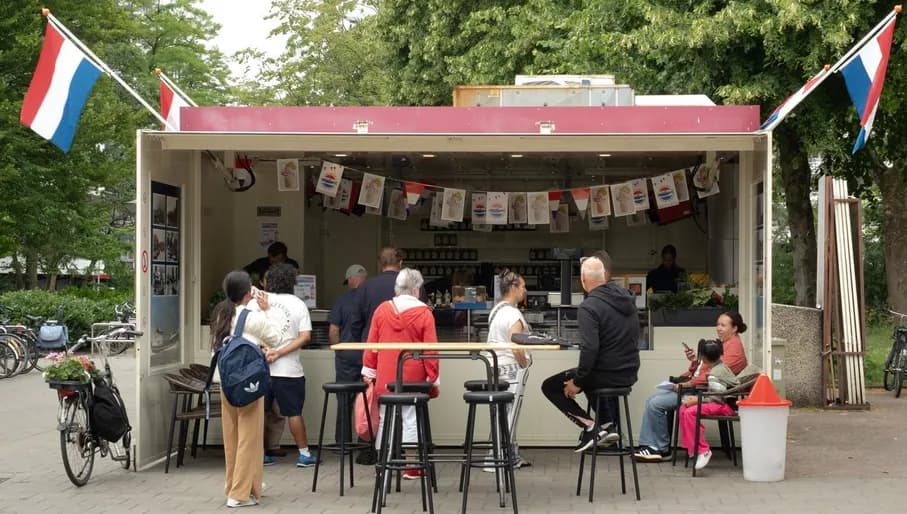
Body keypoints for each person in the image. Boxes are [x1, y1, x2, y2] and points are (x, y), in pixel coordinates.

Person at [541, 252, 641, 453]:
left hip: (606, 374)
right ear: (605, 277)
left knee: (551, 386)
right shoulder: (627, 301)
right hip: (628, 372)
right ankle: (606, 426)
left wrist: (577, 383)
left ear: (583, 281)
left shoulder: (589, 306)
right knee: (586, 373)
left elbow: (590, 349)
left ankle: (591, 427)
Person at [634, 311, 749, 462]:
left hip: (703, 393)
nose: (718, 328)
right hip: (697, 388)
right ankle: (652, 446)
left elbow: (713, 375)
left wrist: (686, 383)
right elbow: (706, 369)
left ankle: (660, 449)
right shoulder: (724, 344)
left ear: (734, 328)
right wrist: (695, 361)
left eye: (723, 325)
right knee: (652, 400)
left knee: (655, 403)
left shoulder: (733, 350)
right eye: (717, 324)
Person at [210, 271, 280, 508]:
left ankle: (237, 484)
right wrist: (267, 309)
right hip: (248, 382)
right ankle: (239, 494)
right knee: (250, 438)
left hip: (226, 381)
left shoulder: (221, 314)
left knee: (232, 437)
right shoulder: (251, 316)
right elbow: (276, 337)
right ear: (248, 292)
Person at [361, 268, 439, 480]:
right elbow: (430, 350)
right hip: (413, 374)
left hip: (386, 373)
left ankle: (383, 463)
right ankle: (412, 465)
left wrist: (369, 371)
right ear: (416, 289)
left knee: (386, 417)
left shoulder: (382, 310)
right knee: (411, 417)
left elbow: (372, 344)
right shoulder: (424, 313)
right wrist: (433, 378)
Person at [248, 263, 316, 469]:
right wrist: (279, 352)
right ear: (291, 282)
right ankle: (304, 454)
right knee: (293, 412)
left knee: (259, 412)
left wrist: (265, 350)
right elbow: (305, 336)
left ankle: (260, 454)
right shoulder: (297, 304)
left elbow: (249, 334)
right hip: (289, 370)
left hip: (260, 368)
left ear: (268, 281)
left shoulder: (255, 303)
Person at [483, 270, 532, 470]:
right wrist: (524, 363)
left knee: (499, 412)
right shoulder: (513, 313)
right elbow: (516, 343)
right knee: (510, 413)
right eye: (523, 286)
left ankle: (503, 453)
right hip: (511, 369)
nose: (525, 290)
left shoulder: (496, 311)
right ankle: (499, 457)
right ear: (513, 288)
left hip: (494, 367)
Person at [328, 263, 371, 463]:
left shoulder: (342, 301)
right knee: (369, 400)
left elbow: (334, 330)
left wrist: (339, 350)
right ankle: (367, 443)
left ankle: (343, 444)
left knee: (344, 400)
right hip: (368, 356)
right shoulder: (372, 300)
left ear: (352, 279)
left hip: (347, 358)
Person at [677, 339, 740, 471]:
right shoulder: (720, 367)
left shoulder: (714, 374)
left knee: (689, 412)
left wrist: (697, 400)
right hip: (720, 403)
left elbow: (717, 398)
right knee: (683, 408)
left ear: (704, 358)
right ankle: (692, 447)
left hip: (725, 406)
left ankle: (703, 450)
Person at [356, 246, 403, 341]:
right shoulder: (413, 286)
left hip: (373, 344)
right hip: (404, 347)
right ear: (400, 263)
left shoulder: (364, 287)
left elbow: (356, 322)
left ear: (380, 264)